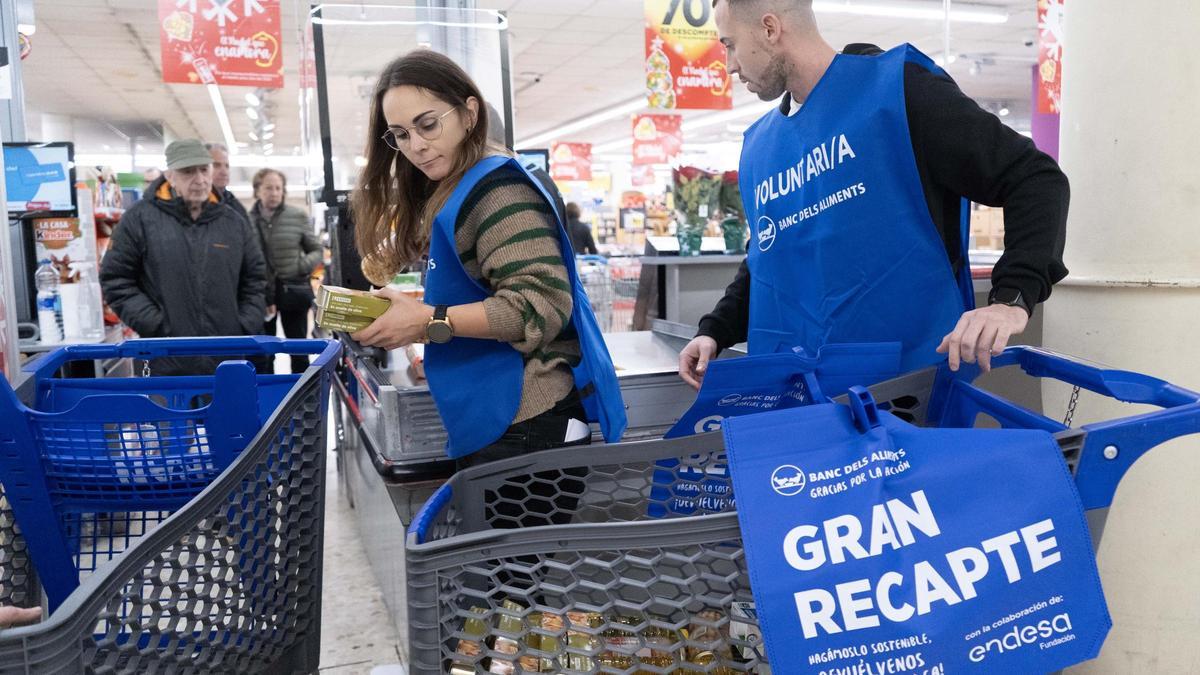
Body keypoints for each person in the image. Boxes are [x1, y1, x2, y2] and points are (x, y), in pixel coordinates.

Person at [679, 0, 1069, 388]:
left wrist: (1011, 299)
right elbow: (768, 255)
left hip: (904, 394)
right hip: (798, 397)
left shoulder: (896, 94)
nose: (728, 64)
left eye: (729, 44)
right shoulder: (764, 148)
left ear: (769, 29)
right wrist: (715, 330)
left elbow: (1035, 178)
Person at [349, 49, 624, 471]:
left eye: (427, 124)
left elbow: (540, 306)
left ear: (469, 113)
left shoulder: (497, 191)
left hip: (527, 426)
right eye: (401, 135)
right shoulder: (458, 189)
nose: (417, 146)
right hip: (499, 420)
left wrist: (425, 320)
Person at [101, 139, 267, 375]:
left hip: (226, 359)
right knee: (167, 412)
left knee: (227, 412)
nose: (199, 179)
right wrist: (154, 323)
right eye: (188, 171)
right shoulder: (139, 219)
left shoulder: (233, 222)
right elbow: (115, 278)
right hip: (165, 358)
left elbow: (256, 278)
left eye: (204, 169)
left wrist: (242, 324)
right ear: (170, 176)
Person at [251, 168, 322, 374]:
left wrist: (300, 267)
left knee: (298, 349)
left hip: (293, 290)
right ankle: (268, 399)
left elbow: (316, 249)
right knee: (263, 352)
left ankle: (303, 399)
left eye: (278, 188)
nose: (274, 192)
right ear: (257, 190)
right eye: (268, 188)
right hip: (262, 295)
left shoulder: (297, 215)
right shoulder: (246, 220)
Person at [206, 142, 251, 226]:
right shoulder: (194, 205)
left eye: (227, 166)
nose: (224, 172)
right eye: (216, 165)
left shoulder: (236, 207)